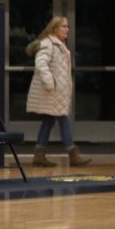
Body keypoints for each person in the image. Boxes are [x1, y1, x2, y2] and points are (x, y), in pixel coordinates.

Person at [26, 16, 91, 167]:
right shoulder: (49, 44)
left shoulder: (58, 44)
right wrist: (50, 82)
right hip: (52, 92)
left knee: (48, 121)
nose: (67, 29)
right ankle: (73, 154)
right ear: (55, 29)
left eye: (68, 26)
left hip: (56, 93)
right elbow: (41, 64)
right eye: (64, 26)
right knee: (63, 120)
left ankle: (39, 154)